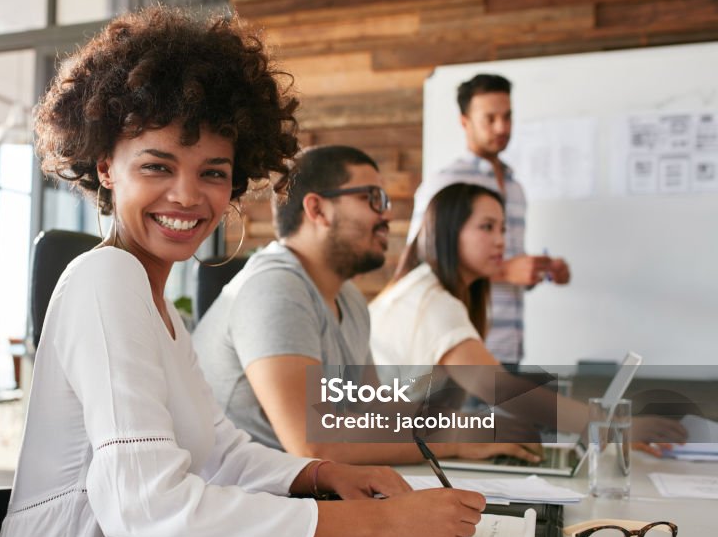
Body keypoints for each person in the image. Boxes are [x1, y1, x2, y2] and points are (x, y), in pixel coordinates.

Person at [0, 7, 486, 537]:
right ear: (106, 167)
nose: (187, 196)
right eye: (157, 166)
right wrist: (381, 523)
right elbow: (145, 504)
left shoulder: (161, 307)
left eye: (212, 172)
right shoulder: (106, 278)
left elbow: (219, 450)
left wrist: (321, 475)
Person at [193, 145, 539, 465]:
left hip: (302, 495)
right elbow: (313, 446)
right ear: (318, 210)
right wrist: (458, 440)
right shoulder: (274, 289)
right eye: (373, 198)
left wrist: (474, 426)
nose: (387, 214)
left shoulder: (349, 298)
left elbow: (375, 413)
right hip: (250, 505)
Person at [372, 183, 686, 453]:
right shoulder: (433, 301)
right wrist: (610, 426)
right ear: (449, 232)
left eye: (503, 228)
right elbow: (500, 388)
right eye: (486, 227)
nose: (500, 240)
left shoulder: (425, 288)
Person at [408, 73, 570, 365]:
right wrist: (506, 271)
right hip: (461, 349)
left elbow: (505, 263)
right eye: (490, 118)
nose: (502, 127)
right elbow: (421, 262)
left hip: (510, 348)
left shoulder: (516, 188)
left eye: (508, 117)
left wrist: (538, 271)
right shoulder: (445, 183)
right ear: (464, 122)